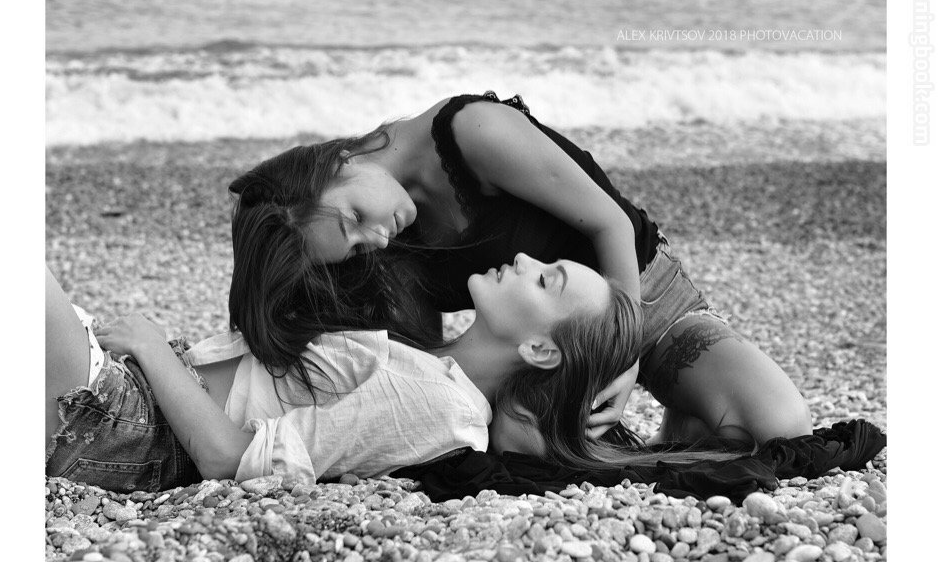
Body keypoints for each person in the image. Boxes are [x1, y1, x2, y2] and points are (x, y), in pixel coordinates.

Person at [230, 91, 813, 445]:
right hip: (542, 353)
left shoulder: (472, 132)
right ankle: (685, 421)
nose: (376, 238)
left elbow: (608, 224)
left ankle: (684, 411)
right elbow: (420, 368)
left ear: (337, 162)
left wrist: (622, 355)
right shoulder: (388, 244)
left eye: (357, 217)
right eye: (357, 246)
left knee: (780, 428)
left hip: (641, 297)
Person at [47, 253, 704, 494]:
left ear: (539, 350)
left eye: (546, 280)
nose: (526, 259)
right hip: (129, 392)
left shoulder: (442, 407)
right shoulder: (434, 361)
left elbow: (227, 458)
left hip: (126, 425)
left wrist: (152, 348)